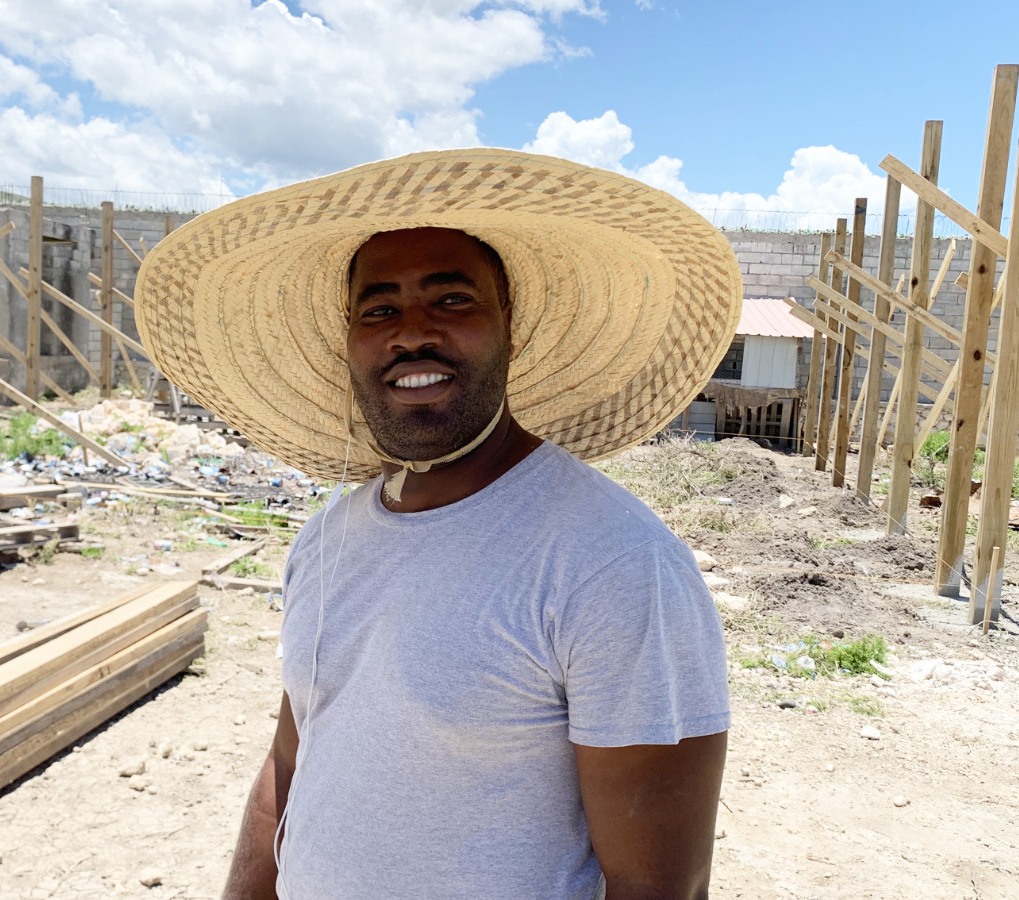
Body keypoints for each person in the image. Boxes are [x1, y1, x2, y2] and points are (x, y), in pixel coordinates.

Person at [135, 150, 742, 899]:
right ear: (348, 344)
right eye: (378, 309)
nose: (410, 334)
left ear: (512, 329)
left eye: (452, 301)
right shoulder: (325, 543)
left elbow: (656, 885)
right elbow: (292, 764)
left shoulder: (611, 563)